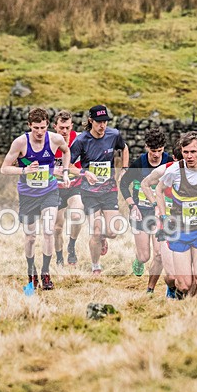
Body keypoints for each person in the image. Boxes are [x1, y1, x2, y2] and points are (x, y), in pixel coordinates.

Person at [142, 131, 197, 299]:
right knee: (184, 285)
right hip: (179, 231)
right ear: (181, 152)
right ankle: (182, 301)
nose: (189, 156)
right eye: (185, 152)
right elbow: (159, 190)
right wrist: (163, 216)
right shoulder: (174, 170)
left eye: (193, 152)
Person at [0, 107, 71, 290]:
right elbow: (4, 168)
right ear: (29, 126)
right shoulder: (20, 143)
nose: (39, 132)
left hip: (49, 191)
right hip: (27, 195)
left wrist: (64, 172)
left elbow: (66, 151)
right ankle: (31, 274)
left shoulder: (55, 139)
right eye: (36, 128)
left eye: (43, 128)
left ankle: (46, 274)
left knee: (48, 231)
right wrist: (24, 170)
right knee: (30, 237)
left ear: (48, 125)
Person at [68, 105, 129, 275]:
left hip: (109, 190)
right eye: (99, 122)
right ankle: (96, 266)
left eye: (105, 122)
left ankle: (103, 237)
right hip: (89, 192)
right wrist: (84, 173)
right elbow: (69, 164)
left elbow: (124, 148)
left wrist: (124, 168)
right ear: (91, 121)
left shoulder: (113, 134)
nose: (102, 126)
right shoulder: (81, 140)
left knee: (112, 231)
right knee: (95, 230)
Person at [119, 128, 172, 292]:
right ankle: (138, 260)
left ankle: (150, 289)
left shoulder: (169, 162)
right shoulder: (139, 163)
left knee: (159, 254)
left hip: (159, 213)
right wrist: (132, 205)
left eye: (160, 151)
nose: (156, 154)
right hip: (140, 212)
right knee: (145, 256)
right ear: (147, 147)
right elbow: (123, 184)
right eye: (153, 150)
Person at [51, 110, 84, 267]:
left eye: (67, 128)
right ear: (55, 126)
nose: (64, 131)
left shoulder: (79, 139)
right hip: (55, 188)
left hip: (74, 185)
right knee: (57, 228)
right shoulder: (48, 141)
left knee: (77, 215)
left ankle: (72, 246)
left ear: (72, 126)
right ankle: (59, 257)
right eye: (61, 128)